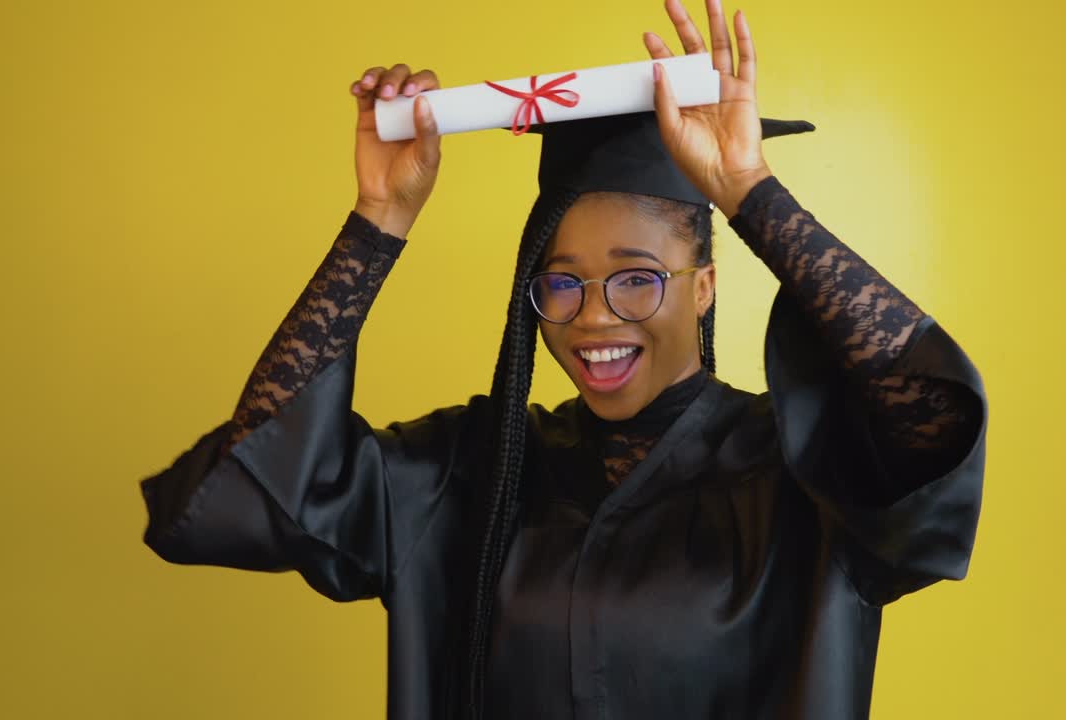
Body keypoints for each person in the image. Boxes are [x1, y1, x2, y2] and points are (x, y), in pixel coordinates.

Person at [138, 1, 987, 718]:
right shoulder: (474, 472)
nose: (592, 320)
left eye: (637, 280)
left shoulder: (801, 473)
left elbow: (930, 416)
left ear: (703, 287)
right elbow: (253, 490)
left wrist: (747, 192)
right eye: (562, 284)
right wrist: (378, 218)